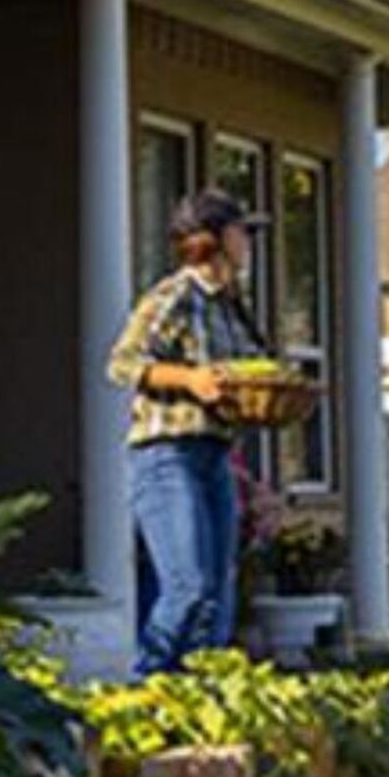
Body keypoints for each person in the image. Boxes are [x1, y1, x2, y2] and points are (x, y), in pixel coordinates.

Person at [106, 188, 272, 676]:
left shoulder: (229, 306)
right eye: (242, 233)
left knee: (218, 590)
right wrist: (190, 380)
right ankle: (141, 691)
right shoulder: (174, 295)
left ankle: (199, 703)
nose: (248, 244)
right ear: (214, 240)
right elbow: (122, 362)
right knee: (187, 586)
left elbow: (245, 374)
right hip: (166, 456)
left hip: (214, 455)